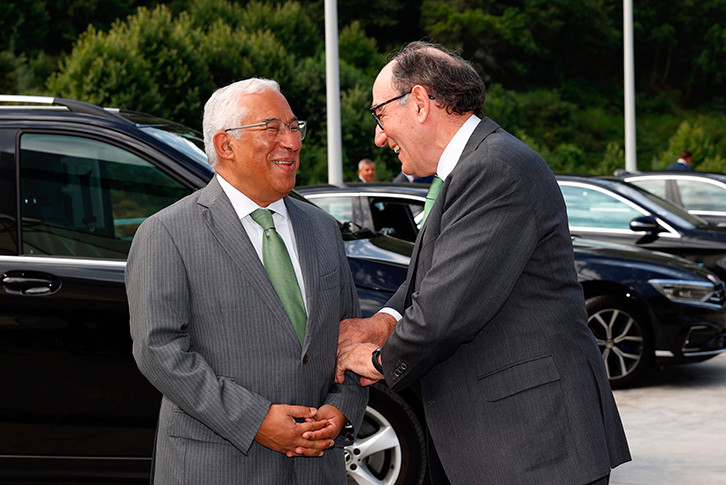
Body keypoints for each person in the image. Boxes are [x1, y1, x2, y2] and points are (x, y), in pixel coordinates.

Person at [335, 41, 631, 484]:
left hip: (532, 445)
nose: (378, 136)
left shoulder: (494, 168)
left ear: (418, 102)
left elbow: (444, 311)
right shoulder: (472, 166)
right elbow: (432, 277)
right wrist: (383, 319)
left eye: (379, 114)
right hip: (508, 440)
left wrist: (376, 359)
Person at [126, 78, 367, 484]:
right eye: (273, 129)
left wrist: (342, 408)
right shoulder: (166, 232)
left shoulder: (324, 229)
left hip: (317, 470)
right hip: (217, 468)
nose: (291, 142)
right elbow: (159, 351)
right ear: (225, 145)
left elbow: (349, 338)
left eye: (295, 127)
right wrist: (254, 420)